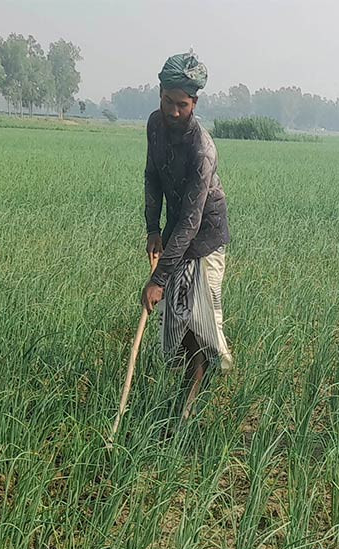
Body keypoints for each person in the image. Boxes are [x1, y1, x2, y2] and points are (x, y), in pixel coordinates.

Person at [141, 52, 234, 418]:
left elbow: (192, 222)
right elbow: (152, 176)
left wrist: (158, 278)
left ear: (195, 103)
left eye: (182, 104)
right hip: (176, 230)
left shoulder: (202, 149)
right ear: (160, 93)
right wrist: (152, 228)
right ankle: (191, 381)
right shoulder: (154, 125)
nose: (174, 111)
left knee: (195, 320)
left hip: (205, 236)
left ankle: (189, 406)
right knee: (177, 319)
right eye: (168, 102)